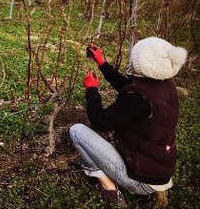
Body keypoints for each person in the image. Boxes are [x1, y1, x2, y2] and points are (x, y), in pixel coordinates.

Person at [69, 38, 185, 207]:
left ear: (141, 63)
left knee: (77, 131)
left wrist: (92, 90)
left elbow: (99, 121)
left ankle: (107, 185)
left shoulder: (138, 99)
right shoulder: (166, 85)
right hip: (157, 173)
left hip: (140, 180)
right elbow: (126, 86)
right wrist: (102, 63)